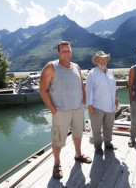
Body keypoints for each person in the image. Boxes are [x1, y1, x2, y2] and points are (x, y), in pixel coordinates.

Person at [39, 41, 92, 179]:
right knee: (58, 139)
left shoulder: (76, 67)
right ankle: (56, 164)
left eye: (68, 50)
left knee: (78, 133)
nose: (66, 53)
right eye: (63, 50)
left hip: (78, 108)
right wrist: (53, 110)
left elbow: (81, 84)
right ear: (58, 52)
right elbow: (43, 90)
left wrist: (84, 100)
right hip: (61, 111)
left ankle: (78, 154)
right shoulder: (51, 67)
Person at [86, 51, 119, 155]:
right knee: (96, 129)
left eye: (104, 59)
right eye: (100, 59)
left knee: (109, 127)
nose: (102, 61)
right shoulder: (92, 73)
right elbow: (89, 90)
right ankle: (98, 147)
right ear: (96, 61)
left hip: (110, 106)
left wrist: (116, 98)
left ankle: (108, 143)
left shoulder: (110, 72)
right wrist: (89, 105)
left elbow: (114, 87)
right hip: (97, 106)